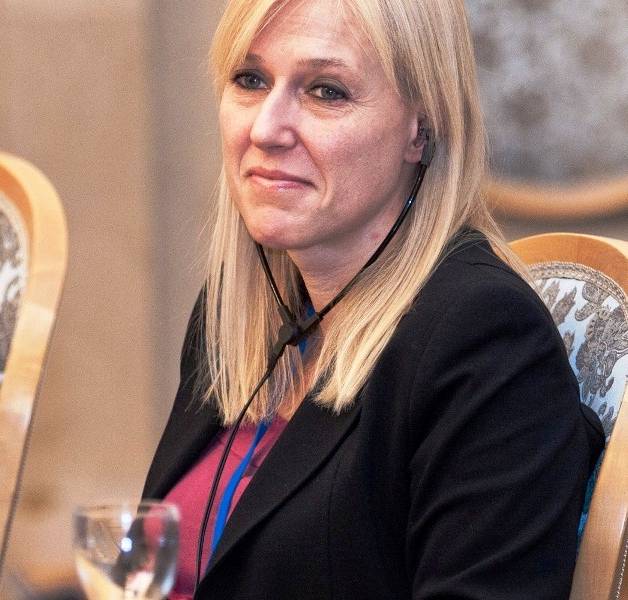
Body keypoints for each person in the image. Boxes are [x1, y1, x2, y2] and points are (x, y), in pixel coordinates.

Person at [142, 0, 604, 598]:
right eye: (250, 79)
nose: (265, 129)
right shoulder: (236, 312)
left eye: (326, 91)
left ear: (421, 130)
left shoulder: (484, 339)